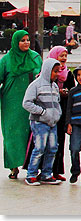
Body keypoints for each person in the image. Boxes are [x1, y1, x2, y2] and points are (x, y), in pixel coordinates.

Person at [0, 31, 42, 180]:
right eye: (22, 40)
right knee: (12, 135)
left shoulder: (35, 58)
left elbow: (43, 78)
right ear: (15, 42)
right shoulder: (6, 60)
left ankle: (33, 167)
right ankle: (13, 167)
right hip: (11, 103)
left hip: (32, 103)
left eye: (28, 40)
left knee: (32, 134)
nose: (26, 43)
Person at [21, 58, 64, 185]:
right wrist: (42, 112)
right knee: (39, 148)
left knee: (52, 148)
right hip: (39, 122)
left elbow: (57, 103)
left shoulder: (55, 86)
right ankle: (31, 174)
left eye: (58, 71)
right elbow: (26, 103)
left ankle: (46, 173)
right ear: (47, 70)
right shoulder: (35, 85)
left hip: (52, 123)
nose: (56, 74)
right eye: (54, 71)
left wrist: (57, 115)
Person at [47, 46, 75, 181]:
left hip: (62, 113)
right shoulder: (46, 74)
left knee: (59, 142)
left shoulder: (68, 74)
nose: (64, 58)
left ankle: (56, 171)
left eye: (65, 55)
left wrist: (66, 93)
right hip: (46, 114)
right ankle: (44, 171)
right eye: (61, 55)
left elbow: (72, 91)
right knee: (46, 143)